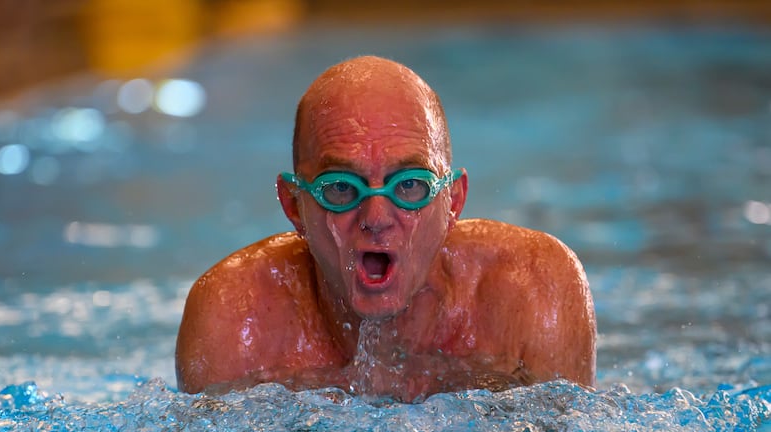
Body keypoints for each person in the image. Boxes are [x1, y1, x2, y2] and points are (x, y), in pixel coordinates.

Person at [175, 55, 596, 402]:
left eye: (409, 186)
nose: (376, 217)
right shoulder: (232, 320)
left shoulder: (535, 294)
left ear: (454, 201)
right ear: (294, 206)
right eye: (341, 188)